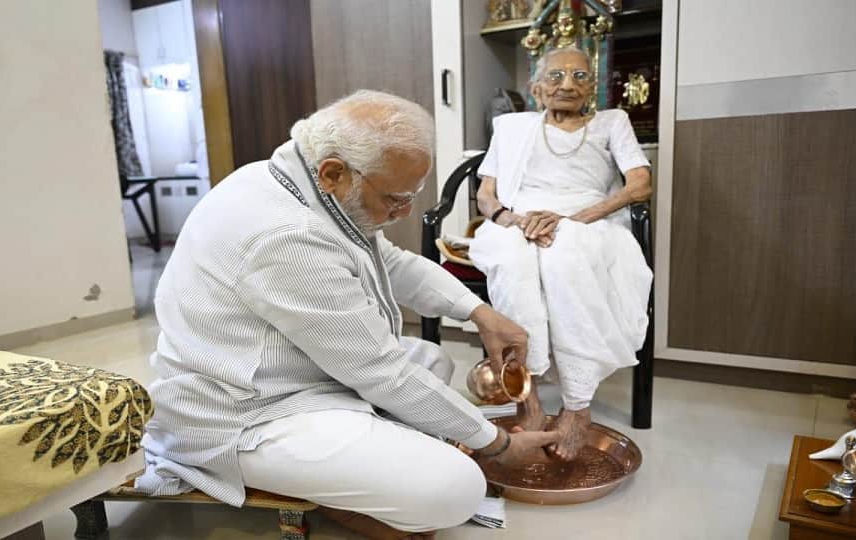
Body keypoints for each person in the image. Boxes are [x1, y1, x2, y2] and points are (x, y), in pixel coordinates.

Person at [135, 90, 560, 540]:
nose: (406, 211)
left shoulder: (299, 184)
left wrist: (479, 312)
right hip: (247, 412)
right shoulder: (286, 234)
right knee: (457, 487)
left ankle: (348, 482)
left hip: (295, 371)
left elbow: (391, 263)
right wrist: (501, 445)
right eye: (397, 198)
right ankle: (317, 489)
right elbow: (382, 373)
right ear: (334, 173)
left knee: (434, 362)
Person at [470, 45, 653, 461]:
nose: (567, 84)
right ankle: (526, 395)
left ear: (593, 87)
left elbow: (639, 184)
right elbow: (486, 194)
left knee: (564, 260)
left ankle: (577, 403)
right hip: (519, 219)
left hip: (586, 221)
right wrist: (514, 221)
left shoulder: (612, 122)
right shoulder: (513, 127)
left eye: (579, 77)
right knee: (515, 263)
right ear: (536, 89)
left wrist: (572, 219)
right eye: (555, 77)